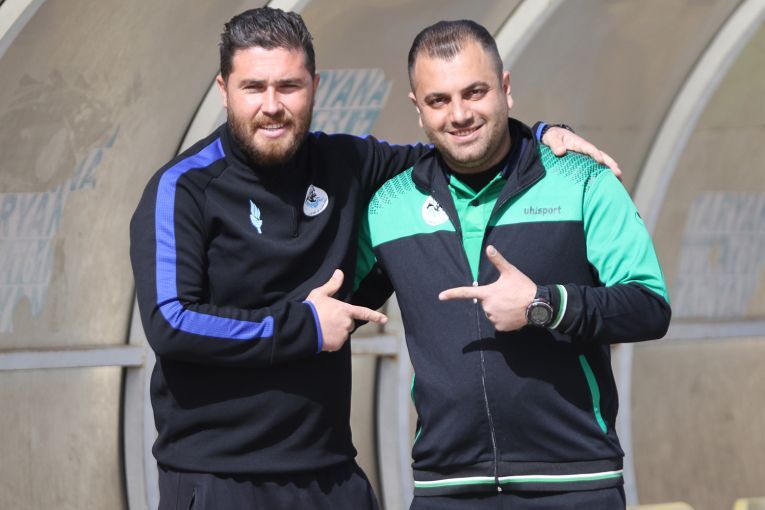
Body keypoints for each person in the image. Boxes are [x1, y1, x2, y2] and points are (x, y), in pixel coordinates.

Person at [129, 7, 620, 510]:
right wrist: (304, 326)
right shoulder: (183, 188)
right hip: (218, 477)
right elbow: (171, 322)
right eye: (253, 87)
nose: (272, 106)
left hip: (331, 475)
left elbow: (460, 148)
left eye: (289, 86)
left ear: (314, 86)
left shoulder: (348, 163)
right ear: (224, 89)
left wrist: (541, 136)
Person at [355, 19, 671, 510]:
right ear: (418, 109)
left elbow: (649, 306)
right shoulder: (388, 206)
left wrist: (545, 305)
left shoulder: (582, 180)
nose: (459, 114)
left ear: (505, 88)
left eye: (474, 92)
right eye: (439, 100)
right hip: (446, 489)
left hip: (575, 484)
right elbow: (334, 307)